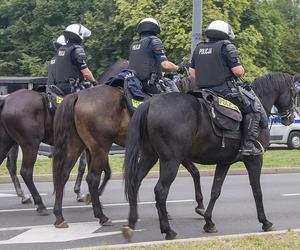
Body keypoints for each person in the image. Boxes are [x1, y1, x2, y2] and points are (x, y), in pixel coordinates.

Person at [189, 20, 265, 156]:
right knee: (253, 108)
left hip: (202, 91)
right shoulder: (226, 46)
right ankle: (248, 145)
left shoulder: (199, 47)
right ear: (225, 33)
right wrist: (241, 69)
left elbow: (192, 73)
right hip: (224, 91)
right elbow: (238, 71)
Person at [128, 17, 186, 94]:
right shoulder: (154, 41)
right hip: (151, 85)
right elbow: (166, 65)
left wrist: (164, 73)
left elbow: (146, 66)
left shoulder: (134, 45)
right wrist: (179, 68)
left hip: (135, 84)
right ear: (155, 28)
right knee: (177, 98)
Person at [52, 24, 96, 95]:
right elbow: (86, 74)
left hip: (59, 87)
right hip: (73, 88)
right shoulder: (77, 49)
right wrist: (95, 82)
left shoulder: (60, 49)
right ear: (80, 36)